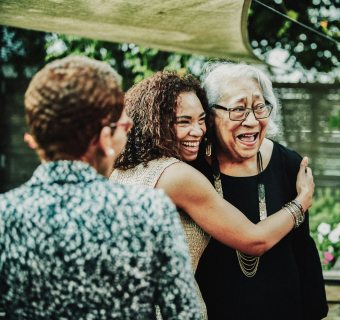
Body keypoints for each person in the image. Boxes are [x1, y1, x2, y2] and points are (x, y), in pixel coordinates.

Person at [0, 56, 201, 319]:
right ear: (105, 138)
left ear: (34, 139)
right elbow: (184, 314)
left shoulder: (5, 216)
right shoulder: (149, 211)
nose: (128, 133)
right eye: (124, 126)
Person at [109, 71, 315, 319]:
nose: (197, 131)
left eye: (201, 120)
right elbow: (254, 240)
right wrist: (301, 201)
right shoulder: (178, 175)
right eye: (184, 121)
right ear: (155, 122)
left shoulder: (123, 170)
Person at [193, 62, 328, 320]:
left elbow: (302, 250)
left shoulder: (289, 164)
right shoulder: (194, 171)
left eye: (259, 107)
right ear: (210, 116)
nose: (252, 120)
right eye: (239, 109)